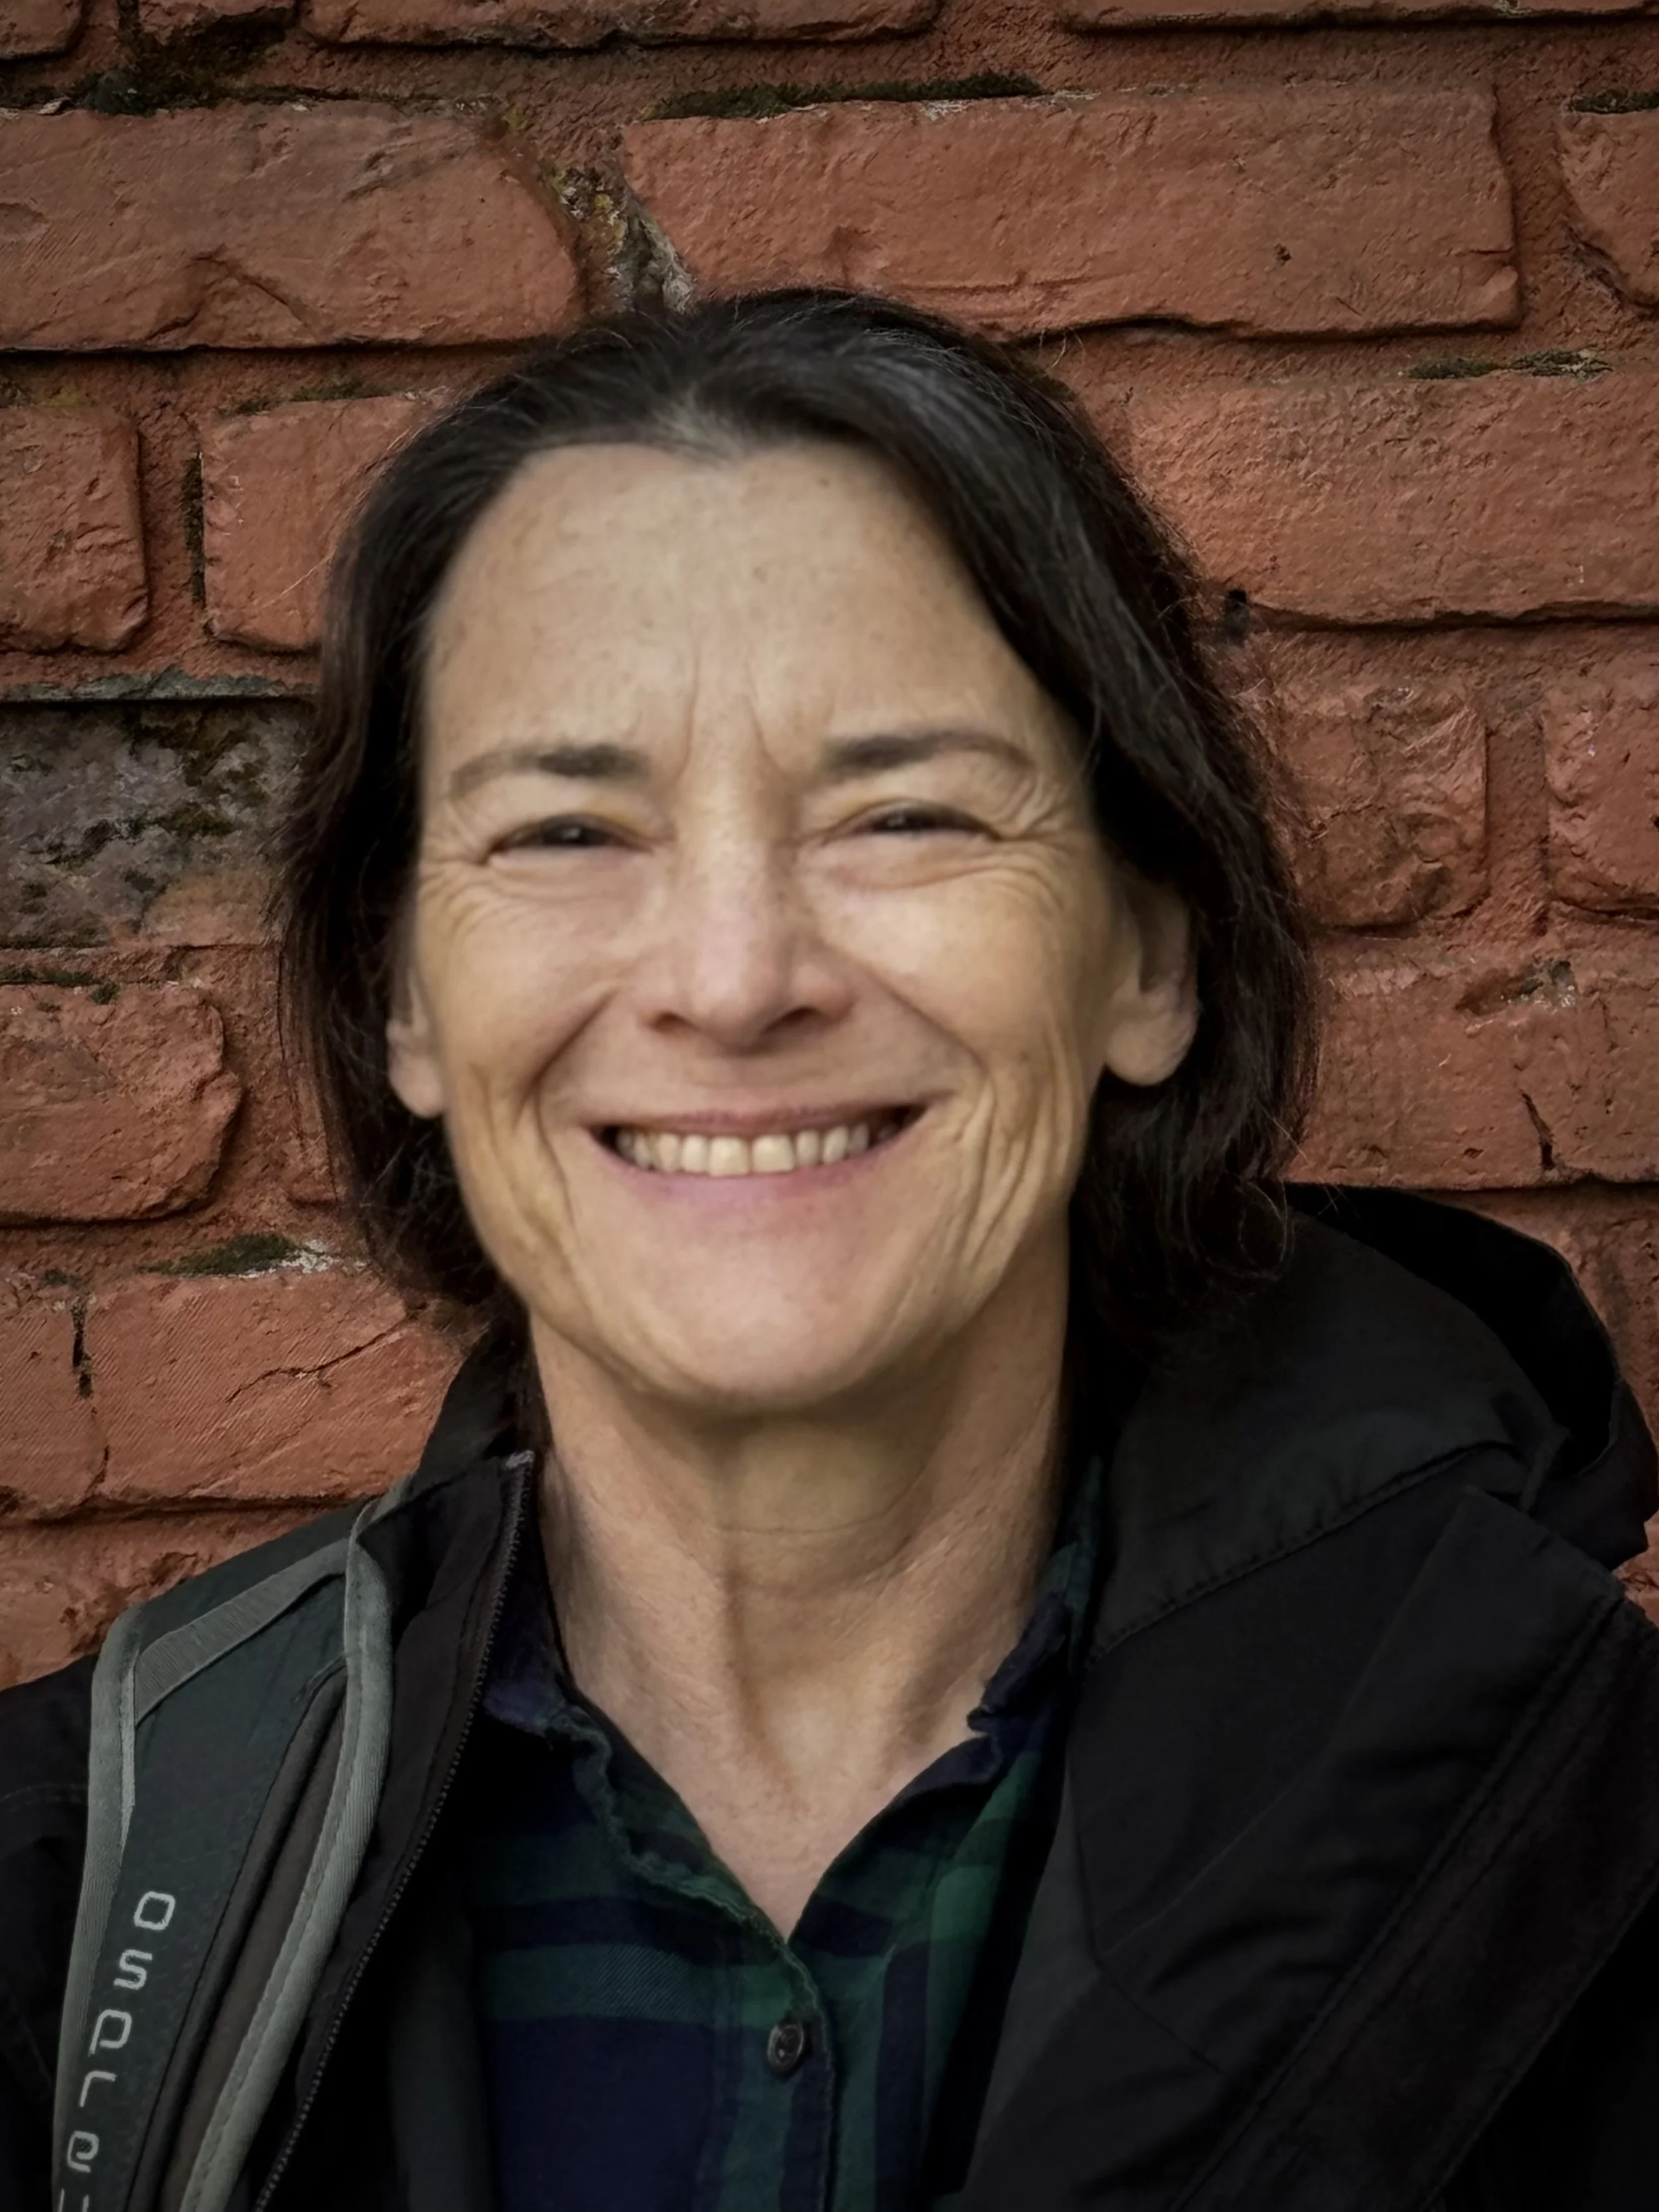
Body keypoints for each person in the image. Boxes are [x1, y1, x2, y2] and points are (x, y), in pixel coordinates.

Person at [3, 289, 1658, 2212]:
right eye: (563, 831)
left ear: (1145, 951)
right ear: (403, 998)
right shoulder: (78, 1899)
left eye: (902, 811)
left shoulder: (1584, 1852)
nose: (733, 978)